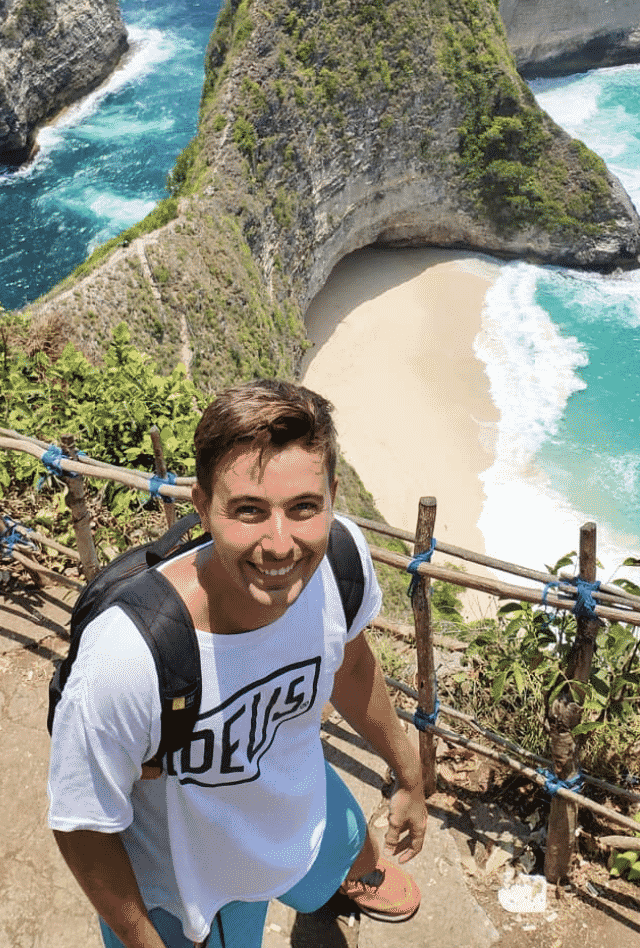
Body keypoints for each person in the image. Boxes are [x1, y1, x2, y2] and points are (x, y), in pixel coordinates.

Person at [48, 379, 427, 948]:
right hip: (195, 876)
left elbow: (348, 663)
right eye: (249, 511)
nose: (280, 545)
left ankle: (350, 873)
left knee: (345, 842)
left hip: (299, 796)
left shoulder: (339, 566)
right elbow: (82, 822)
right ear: (202, 507)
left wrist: (410, 774)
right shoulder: (128, 658)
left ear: (331, 496)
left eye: (304, 507)